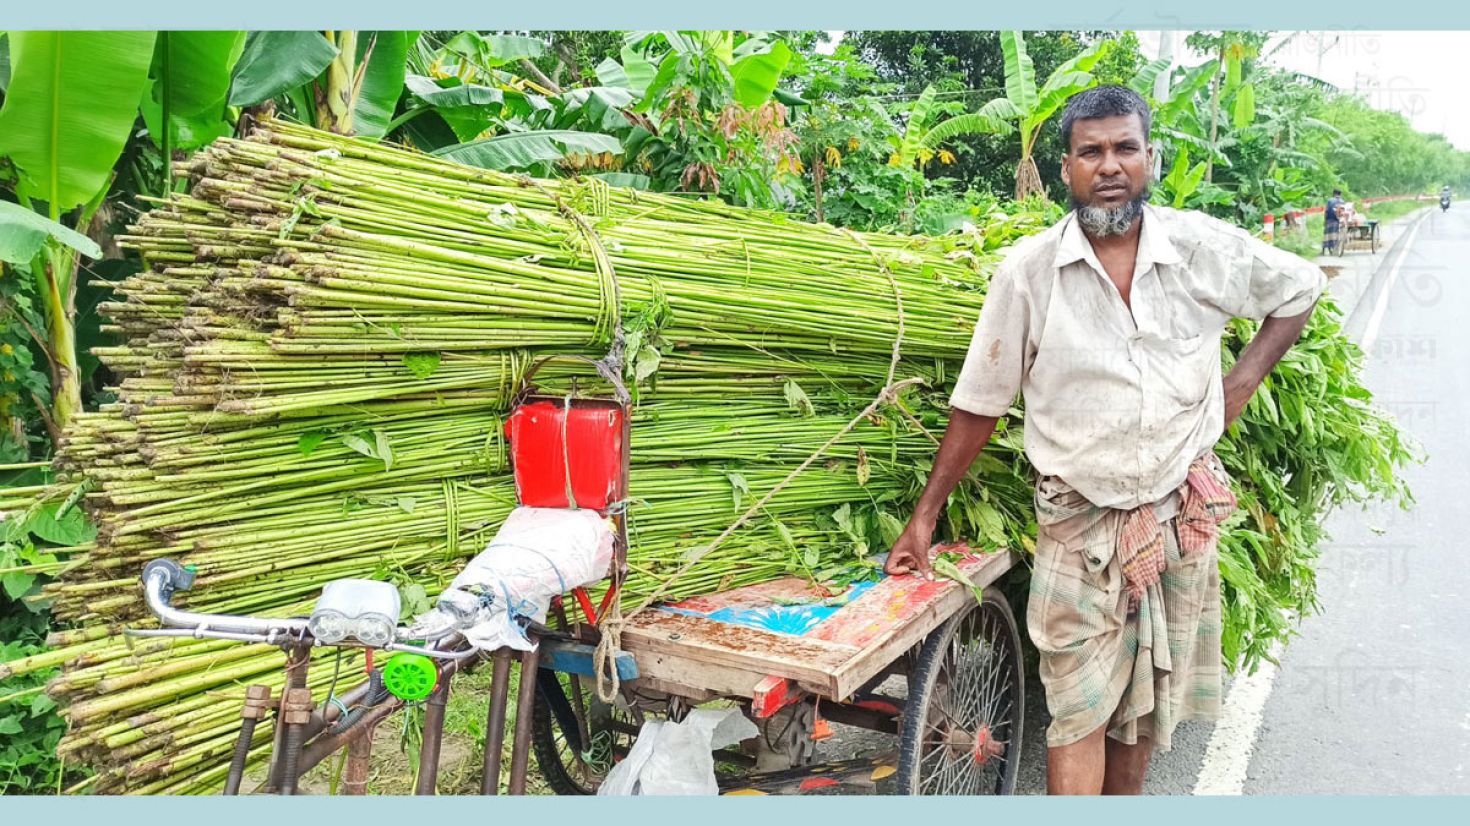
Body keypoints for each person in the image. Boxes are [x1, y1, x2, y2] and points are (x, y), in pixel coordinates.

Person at [884, 85, 1325, 795]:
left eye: (1125, 148)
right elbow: (980, 401)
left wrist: (1233, 394)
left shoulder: (1199, 249)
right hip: (1076, 525)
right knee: (1077, 713)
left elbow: (1299, 288)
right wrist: (926, 515)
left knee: (1142, 715)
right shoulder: (1028, 274)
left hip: (1177, 520)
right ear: (1066, 168)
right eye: (1091, 152)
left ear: (1150, 157)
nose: (1109, 164)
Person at [1323, 188, 1346, 253]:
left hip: (1330, 220)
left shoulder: (1330, 201)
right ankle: (1336, 247)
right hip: (1339, 221)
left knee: (1327, 235)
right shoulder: (1343, 201)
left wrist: (1324, 220)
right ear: (1340, 194)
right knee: (1337, 234)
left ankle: (1328, 248)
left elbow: (1326, 211)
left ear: (1333, 194)